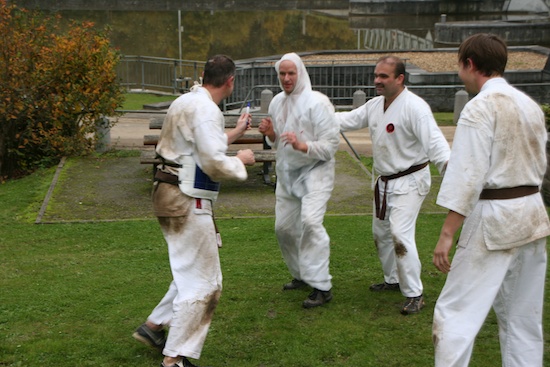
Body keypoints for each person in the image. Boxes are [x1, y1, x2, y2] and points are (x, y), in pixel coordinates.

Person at [432, 33, 550, 367]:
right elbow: (540, 164)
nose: (460, 74)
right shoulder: (529, 106)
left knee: (455, 313)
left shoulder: (480, 108)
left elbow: (467, 174)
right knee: (522, 316)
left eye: (460, 66)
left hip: (495, 216)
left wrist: (447, 233)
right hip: (532, 214)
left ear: (470, 64)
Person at [132, 55, 256, 367]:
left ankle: (153, 327)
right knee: (206, 282)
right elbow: (214, 162)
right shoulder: (207, 111)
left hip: (166, 193)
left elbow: (201, 144)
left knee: (189, 270)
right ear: (230, 82)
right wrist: (241, 161)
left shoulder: (186, 101)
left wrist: (237, 131)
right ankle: (175, 358)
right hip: (186, 199)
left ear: (203, 75)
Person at [335, 55, 450, 315]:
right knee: (381, 233)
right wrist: (310, 119)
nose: (377, 80)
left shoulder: (415, 108)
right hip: (384, 182)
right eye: (376, 75)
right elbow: (345, 120)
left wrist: (452, 175)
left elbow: (436, 145)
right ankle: (393, 279)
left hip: (411, 180)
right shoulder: (375, 105)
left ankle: (414, 293)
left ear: (400, 79)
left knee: (400, 234)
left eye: (384, 76)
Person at [258, 52, 340, 308]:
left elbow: (330, 147)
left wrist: (302, 145)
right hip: (287, 174)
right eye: (282, 73)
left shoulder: (318, 102)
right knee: (283, 229)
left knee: (311, 223)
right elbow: (277, 141)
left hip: (316, 171)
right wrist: (271, 134)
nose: (286, 78)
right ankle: (302, 274)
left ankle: (321, 286)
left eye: (291, 73)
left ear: (300, 73)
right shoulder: (276, 103)